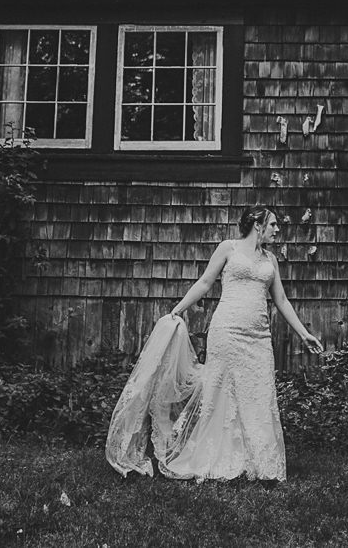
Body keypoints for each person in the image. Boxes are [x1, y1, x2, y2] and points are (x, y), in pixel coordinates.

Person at [106, 204, 324, 482]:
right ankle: (215, 457)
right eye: (272, 224)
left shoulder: (270, 258)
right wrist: (179, 309)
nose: (277, 229)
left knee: (259, 394)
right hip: (227, 331)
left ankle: (261, 463)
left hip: (258, 337)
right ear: (257, 224)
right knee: (220, 395)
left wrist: (303, 333)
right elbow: (205, 282)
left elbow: (280, 300)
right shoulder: (228, 248)